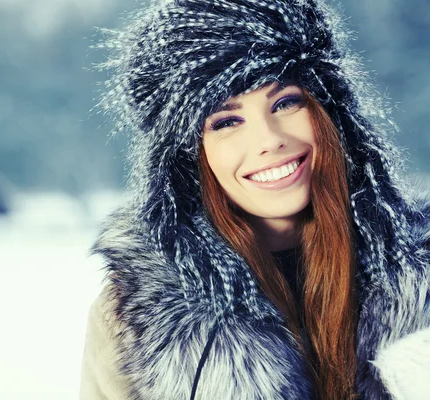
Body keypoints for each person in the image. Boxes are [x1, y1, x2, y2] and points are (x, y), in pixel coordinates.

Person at [80, 0, 430, 399]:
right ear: (188, 156)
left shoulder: (422, 274)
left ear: (332, 114)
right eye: (227, 121)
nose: (269, 139)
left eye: (285, 103)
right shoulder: (133, 313)